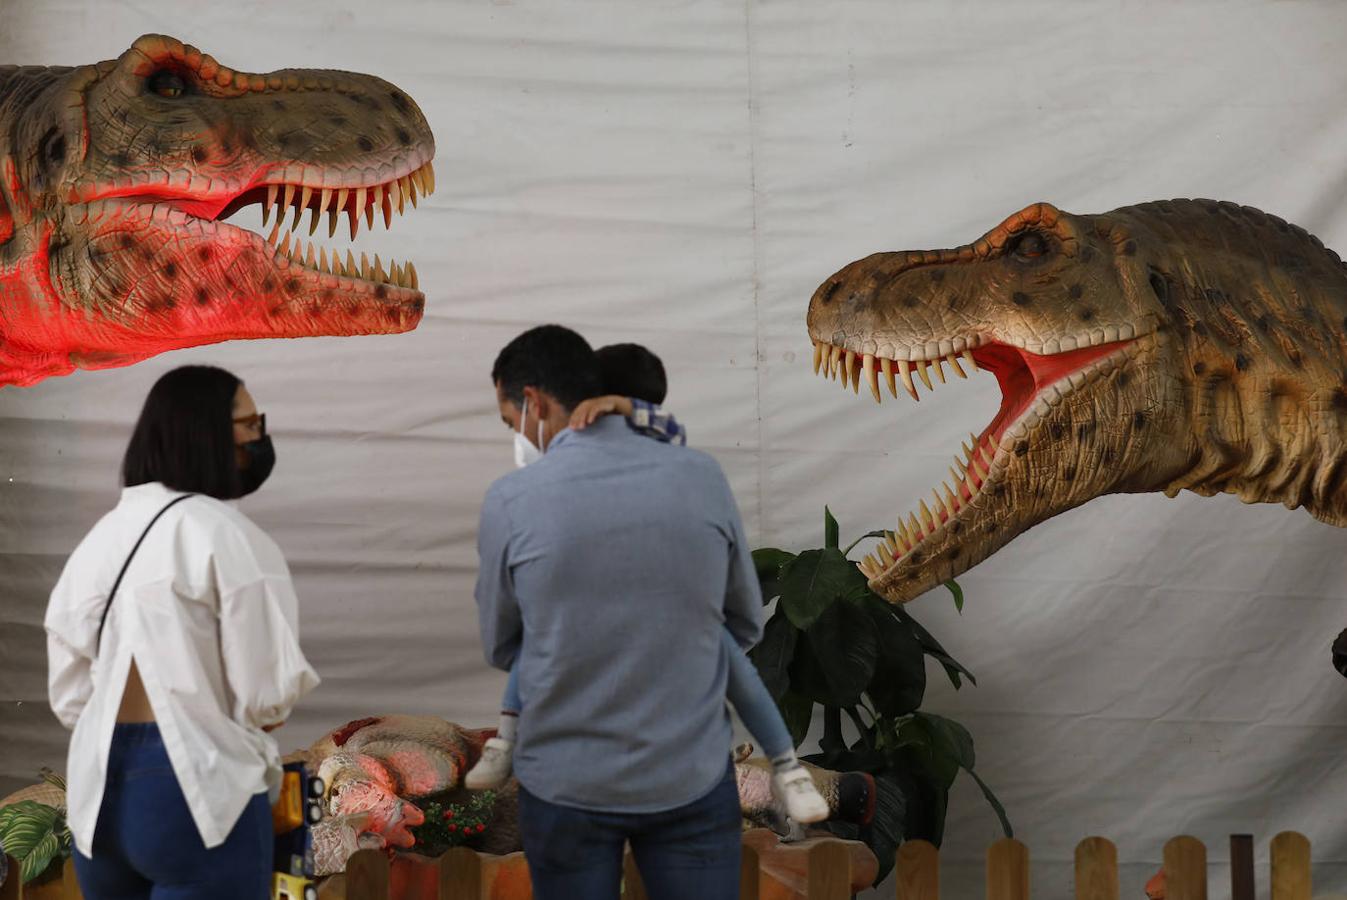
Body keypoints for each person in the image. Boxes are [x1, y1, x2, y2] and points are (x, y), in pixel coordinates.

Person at [466, 342, 828, 826]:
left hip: (579, 750)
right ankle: (788, 767)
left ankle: (505, 739)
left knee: (541, 632)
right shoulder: (691, 470)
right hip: (674, 697)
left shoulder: (542, 481)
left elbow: (504, 642)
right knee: (731, 661)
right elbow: (742, 619)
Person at [475, 325, 762, 900]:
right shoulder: (702, 476)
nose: (517, 435)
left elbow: (504, 645)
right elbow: (745, 621)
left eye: (512, 422)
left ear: (533, 402)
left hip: (565, 777)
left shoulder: (512, 500)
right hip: (689, 768)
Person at [45, 365, 320, 900]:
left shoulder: (100, 539)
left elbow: (70, 693)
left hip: (97, 796)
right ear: (207, 433)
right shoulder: (230, 536)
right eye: (247, 423)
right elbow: (266, 699)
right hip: (193, 793)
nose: (258, 435)